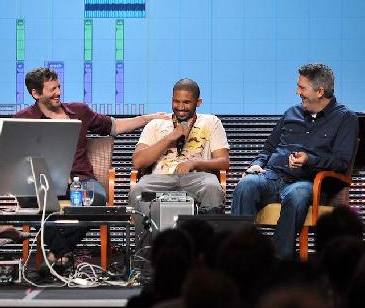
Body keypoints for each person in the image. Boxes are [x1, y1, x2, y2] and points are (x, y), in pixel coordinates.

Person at [7, 67, 169, 269]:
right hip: (42, 182)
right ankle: (62, 253)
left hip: (80, 181)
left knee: (96, 202)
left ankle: (55, 254)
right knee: (27, 198)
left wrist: (147, 118)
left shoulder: (79, 111)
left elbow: (114, 126)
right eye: (52, 89)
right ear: (36, 93)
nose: (58, 92)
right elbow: (15, 158)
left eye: (59, 87)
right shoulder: (23, 118)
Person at [231, 63, 359, 260]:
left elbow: (341, 162)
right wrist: (256, 164)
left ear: (320, 91)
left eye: (302, 87)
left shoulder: (345, 118)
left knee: (297, 194)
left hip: (309, 184)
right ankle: (242, 257)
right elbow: (268, 148)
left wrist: (309, 160)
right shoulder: (292, 113)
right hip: (273, 177)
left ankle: (281, 262)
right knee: (246, 184)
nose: (297, 92)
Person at [128, 78, 230, 218]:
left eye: (186, 102)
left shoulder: (211, 122)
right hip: (160, 178)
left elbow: (223, 161)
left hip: (198, 178)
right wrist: (171, 137)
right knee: (138, 190)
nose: (180, 107)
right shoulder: (156, 124)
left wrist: (194, 163)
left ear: (198, 102)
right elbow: (138, 162)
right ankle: (146, 239)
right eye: (176, 101)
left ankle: (207, 238)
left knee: (212, 188)